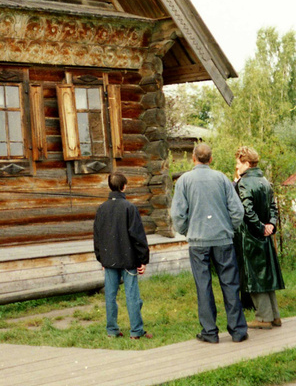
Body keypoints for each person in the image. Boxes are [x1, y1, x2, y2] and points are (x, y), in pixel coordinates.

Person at [171, 142, 248, 344]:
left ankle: (209, 332)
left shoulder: (184, 181)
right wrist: (229, 228)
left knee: (203, 285)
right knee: (230, 284)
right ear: (211, 159)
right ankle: (238, 331)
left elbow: (178, 215)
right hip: (222, 239)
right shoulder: (222, 179)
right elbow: (238, 211)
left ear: (193, 158)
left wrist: (187, 230)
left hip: (198, 241)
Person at [93, 172, 152, 340]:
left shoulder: (102, 208)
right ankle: (136, 331)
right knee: (132, 295)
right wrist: (143, 259)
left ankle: (112, 330)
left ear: (110, 187)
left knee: (110, 296)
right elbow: (138, 236)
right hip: (129, 259)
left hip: (109, 259)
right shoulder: (129, 208)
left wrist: (101, 258)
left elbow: (97, 236)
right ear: (124, 186)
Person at [234, 145, 284, 329]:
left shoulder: (244, 182)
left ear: (247, 163)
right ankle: (275, 315)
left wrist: (260, 227)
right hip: (264, 234)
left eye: (238, 163)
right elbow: (273, 206)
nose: (237, 167)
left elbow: (246, 211)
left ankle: (263, 317)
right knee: (268, 274)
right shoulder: (264, 180)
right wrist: (270, 225)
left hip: (251, 236)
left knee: (255, 276)